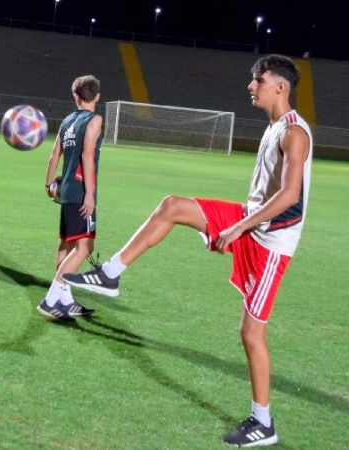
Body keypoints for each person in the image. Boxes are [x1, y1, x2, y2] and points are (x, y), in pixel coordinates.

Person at [63, 54, 312, 447]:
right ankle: (111, 272)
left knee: (251, 334)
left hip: (272, 242)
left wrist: (239, 227)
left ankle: (263, 422)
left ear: (280, 86)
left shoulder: (294, 132)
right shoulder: (273, 127)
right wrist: (236, 223)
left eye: (258, 80)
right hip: (251, 220)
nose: (251, 86)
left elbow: (290, 195)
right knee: (172, 205)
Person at [36, 76, 102, 321]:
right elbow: (87, 156)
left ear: (75, 96)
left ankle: (66, 299)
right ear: (97, 96)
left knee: (67, 243)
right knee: (85, 247)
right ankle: (51, 299)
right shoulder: (94, 120)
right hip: (80, 190)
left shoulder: (67, 120)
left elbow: (54, 155)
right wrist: (90, 195)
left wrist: (48, 183)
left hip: (65, 189)